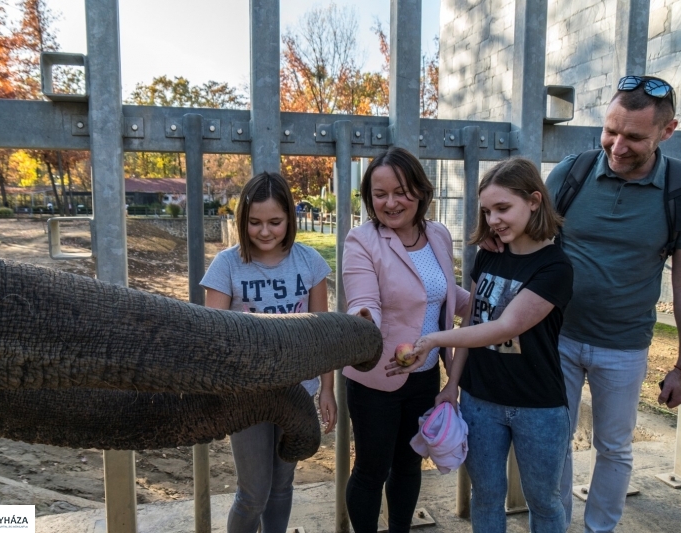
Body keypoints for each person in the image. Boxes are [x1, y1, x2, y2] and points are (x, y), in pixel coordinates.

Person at [541, 76, 681, 532]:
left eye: (634, 136)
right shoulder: (569, 174)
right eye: (610, 131)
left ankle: (601, 528)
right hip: (558, 337)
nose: (617, 146)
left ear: (666, 132)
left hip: (625, 345)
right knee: (552, 442)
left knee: (614, 447)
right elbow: (531, 249)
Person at [390, 157, 574, 532]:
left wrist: (433, 340)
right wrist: (452, 385)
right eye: (488, 211)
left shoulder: (555, 267)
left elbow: (503, 327)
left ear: (534, 201)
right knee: (486, 496)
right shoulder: (489, 253)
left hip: (538, 406)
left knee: (544, 501)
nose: (493, 220)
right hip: (480, 401)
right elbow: (472, 320)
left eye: (503, 208)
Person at [342, 147, 471, 533]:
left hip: (426, 376)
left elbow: (449, 295)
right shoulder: (362, 240)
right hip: (377, 375)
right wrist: (365, 322)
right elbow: (365, 300)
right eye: (380, 195)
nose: (391, 202)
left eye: (400, 191)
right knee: (371, 469)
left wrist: (501, 293)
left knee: (409, 463)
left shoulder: (439, 235)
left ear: (419, 190)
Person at [200, 171, 336, 533]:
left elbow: (323, 335)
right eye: (255, 222)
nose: (264, 231)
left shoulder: (310, 263)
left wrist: (327, 389)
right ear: (242, 221)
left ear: (290, 219)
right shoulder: (226, 265)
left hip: (297, 391)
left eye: (274, 222)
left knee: (282, 486)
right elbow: (212, 337)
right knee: (253, 493)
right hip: (247, 395)